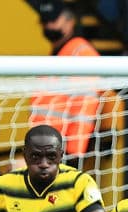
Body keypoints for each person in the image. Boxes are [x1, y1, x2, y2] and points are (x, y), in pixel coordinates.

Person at [31, 2, 100, 157]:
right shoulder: (57, 54)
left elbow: (84, 106)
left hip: (61, 150)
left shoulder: (81, 53)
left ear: (70, 21)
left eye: (53, 20)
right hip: (44, 146)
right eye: (44, 21)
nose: (48, 26)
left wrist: (73, 152)